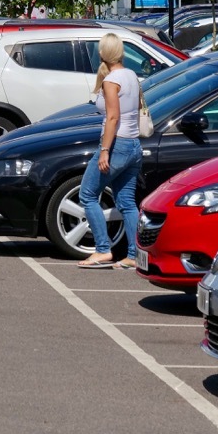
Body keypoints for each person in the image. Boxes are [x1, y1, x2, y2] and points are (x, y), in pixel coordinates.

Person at [76, 32, 144, 269]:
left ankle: (103, 249)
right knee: (126, 201)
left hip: (117, 145)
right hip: (134, 144)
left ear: (104, 53)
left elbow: (113, 116)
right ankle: (134, 255)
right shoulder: (131, 75)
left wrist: (105, 150)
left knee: (87, 194)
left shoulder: (112, 80)